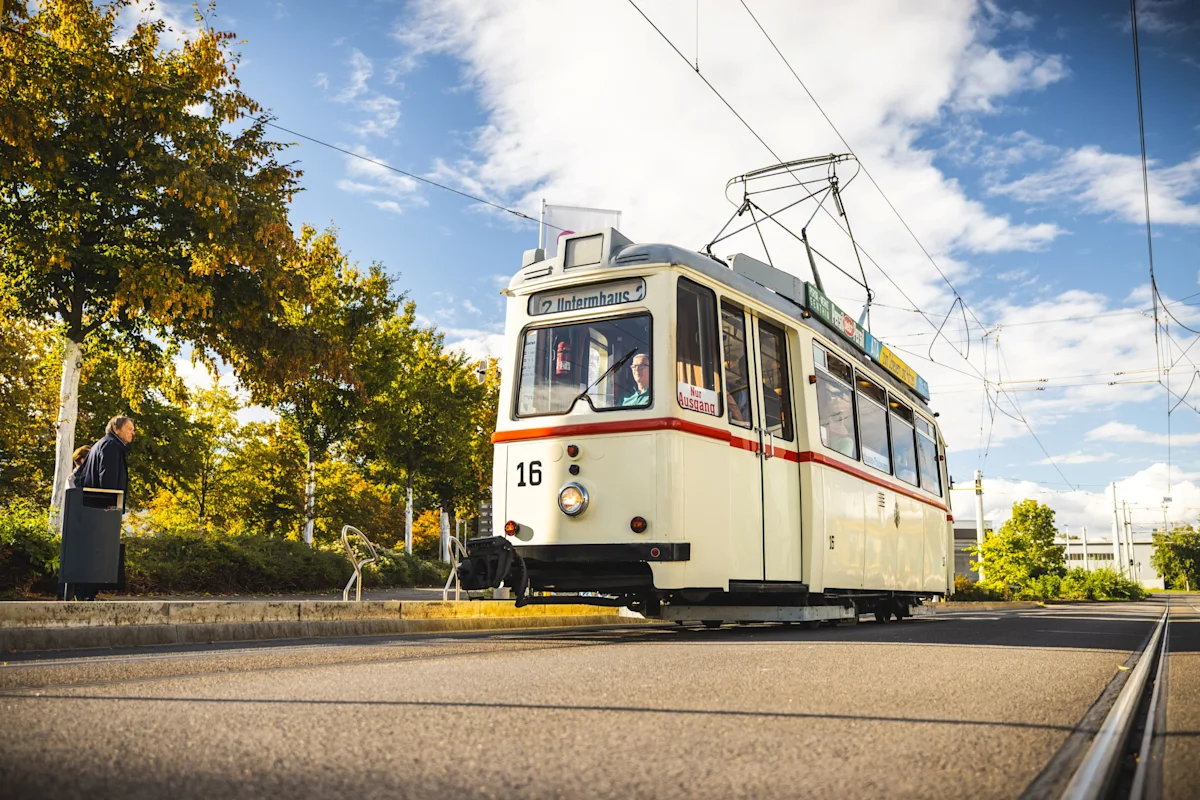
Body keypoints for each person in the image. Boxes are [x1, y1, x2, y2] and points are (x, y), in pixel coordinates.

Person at [78, 415, 135, 499]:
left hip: (91, 503)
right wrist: (111, 507)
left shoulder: (99, 445)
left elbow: (80, 475)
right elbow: (108, 481)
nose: (133, 433)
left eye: (133, 430)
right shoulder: (111, 446)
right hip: (103, 506)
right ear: (116, 429)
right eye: (129, 429)